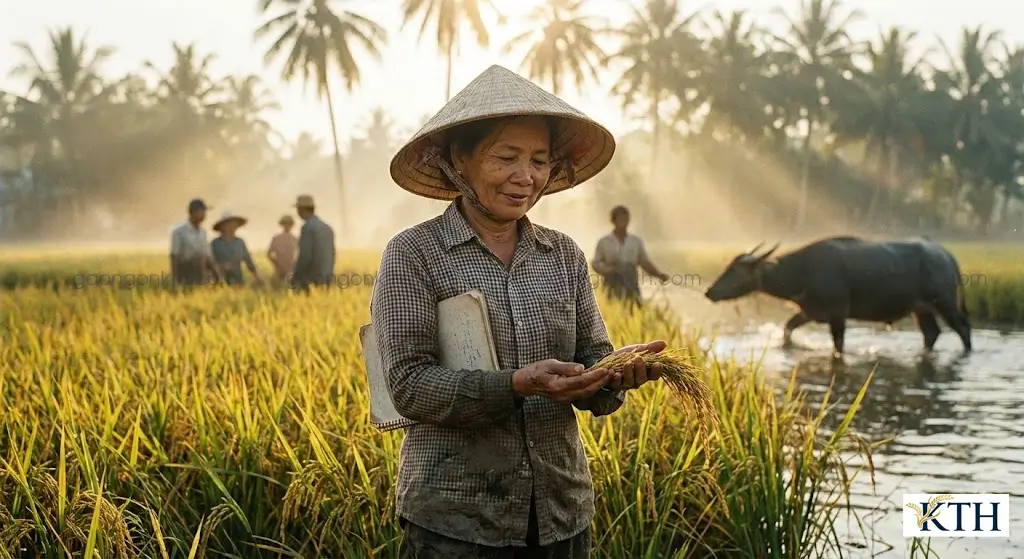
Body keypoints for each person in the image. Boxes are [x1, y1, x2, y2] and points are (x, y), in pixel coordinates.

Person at [370, 64, 668, 559]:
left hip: (559, 514)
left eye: (538, 160)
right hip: (457, 522)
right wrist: (516, 383)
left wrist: (614, 375)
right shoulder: (414, 253)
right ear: (459, 161)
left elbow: (592, 360)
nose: (525, 177)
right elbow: (408, 386)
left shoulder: (564, 255)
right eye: (505, 157)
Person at [591, 205, 670, 308]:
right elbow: (596, 263)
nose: (624, 221)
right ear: (613, 220)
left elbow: (644, 262)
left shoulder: (635, 241)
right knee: (613, 307)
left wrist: (659, 275)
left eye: (626, 218)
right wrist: (608, 270)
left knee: (635, 307)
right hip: (612, 281)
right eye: (621, 218)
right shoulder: (604, 242)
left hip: (631, 282)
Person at [170, 198, 220, 287]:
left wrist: (216, 274)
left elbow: (207, 255)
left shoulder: (203, 232)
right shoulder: (179, 231)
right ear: (193, 212)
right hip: (186, 272)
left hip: (202, 273)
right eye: (202, 212)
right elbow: (175, 257)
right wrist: (175, 280)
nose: (205, 215)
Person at [290, 194, 336, 291]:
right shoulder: (327, 228)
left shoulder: (307, 228)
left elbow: (305, 256)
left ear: (302, 210)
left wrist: (295, 277)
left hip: (311, 280)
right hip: (327, 277)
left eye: (298, 209)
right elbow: (332, 254)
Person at [209, 210, 262, 287]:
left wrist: (257, 276)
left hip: (238, 281)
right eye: (229, 224)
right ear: (222, 227)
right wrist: (221, 267)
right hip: (220, 282)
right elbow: (209, 263)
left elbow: (248, 261)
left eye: (234, 224)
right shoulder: (215, 244)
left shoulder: (240, 242)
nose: (232, 226)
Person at [267, 214, 299, 288]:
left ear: (292, 225)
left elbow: (300, 254)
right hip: (278, 270)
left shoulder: (295, 239)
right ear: (282, 225)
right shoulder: (276, 238)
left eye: (289, 224)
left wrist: (294, 264)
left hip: (291, 270)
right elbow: (269, 253)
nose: (287, 226)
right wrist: (277, 265)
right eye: (285, 223)